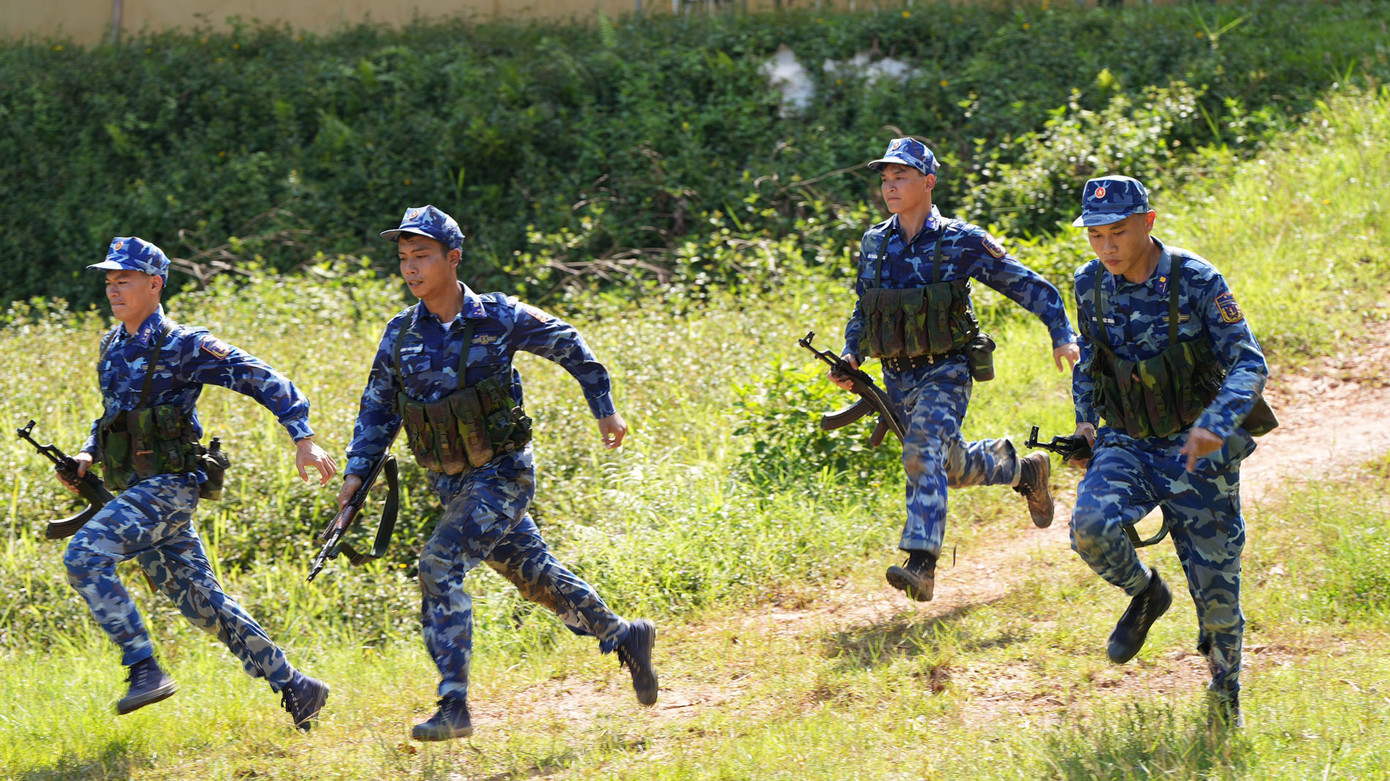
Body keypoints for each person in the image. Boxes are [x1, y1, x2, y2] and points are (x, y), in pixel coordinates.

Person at [340, 205, 658, 742]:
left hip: (504, 474)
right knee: (536, 577)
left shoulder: (499, 318)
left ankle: (453, 704)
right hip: (452, 483)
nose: (411, 268)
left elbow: (569, 344)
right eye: (403, 258)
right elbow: (378, 408)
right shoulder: (399, 335)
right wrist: (355, 476)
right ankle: (625, 634)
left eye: (422, 256)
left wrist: (604, 408)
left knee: (439, 564)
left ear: (453, 258)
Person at [61, 237, 337, 729]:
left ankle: (144, 668)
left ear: (154, 283)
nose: (113, 289)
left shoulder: (184, 345)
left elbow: (262, 377)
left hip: (169, 487)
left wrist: (303, 438)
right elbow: (113, 418)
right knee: (204, 605)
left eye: (123, 280)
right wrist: (88, 453)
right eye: (109, 280)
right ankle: (297, 685)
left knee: (84, 554)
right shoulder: (112, 347)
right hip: (135, 491)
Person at [830, 137, 1080, 603]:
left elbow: (1027, 284)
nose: (890, 186)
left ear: (928, 182)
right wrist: (851, 355)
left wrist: (1061, 332)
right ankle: (1023, 471)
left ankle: (921, 564)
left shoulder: (959, 241)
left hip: (946, 370)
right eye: (885, 178)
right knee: (949, 465)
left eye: (900, 176)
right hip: (895, 377)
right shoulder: (874, 243)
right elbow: (864, 311)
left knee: (922, 452)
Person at [1066, 175, 1274, 728]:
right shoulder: (1090, 285)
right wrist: (1086, 428)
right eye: (1095, 235)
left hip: (1194, 451)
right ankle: (1146, 594)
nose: (1107, 246)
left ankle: (1224, 691)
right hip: (1128, 443)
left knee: (1218, 594)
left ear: (1148, 223)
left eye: (1118, 232)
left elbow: (1249, 363)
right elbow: (1090, 366)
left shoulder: (1196, 280)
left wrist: (1215, 422)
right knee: (1090, 526)